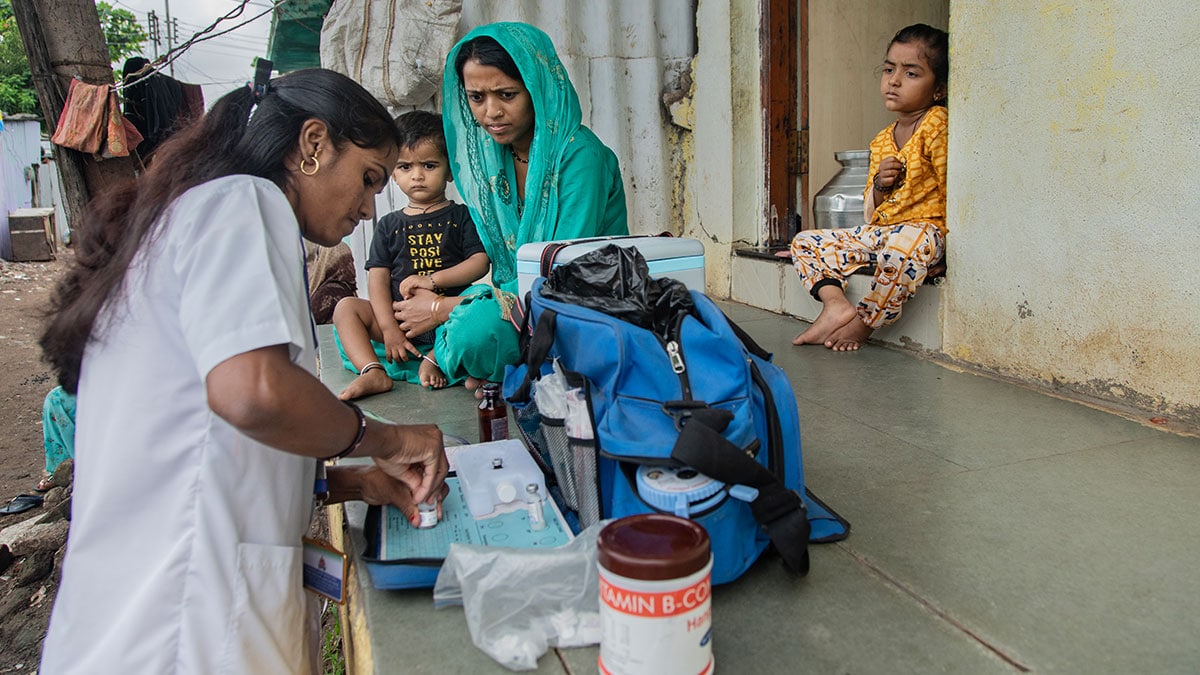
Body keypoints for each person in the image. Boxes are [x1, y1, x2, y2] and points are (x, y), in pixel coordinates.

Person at [38, 68, 449, 674]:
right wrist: (388, 440)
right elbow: (252, 394)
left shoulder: (202, 216)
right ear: (313, 144)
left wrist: (353, 483)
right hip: (177, 630)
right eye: (368, 180)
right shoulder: (242, 202)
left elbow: (205, 451)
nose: (367, 209)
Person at [390, 21, 628, 390]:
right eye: (477, 97)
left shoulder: (580, 156)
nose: (491, 113)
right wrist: (436, 292)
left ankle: (476, 358)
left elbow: (560, 271)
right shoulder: (492, 155)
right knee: (378, 318)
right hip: (514, 299)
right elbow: (497, 273)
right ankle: (487, 361)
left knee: (472, 328)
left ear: (537, 90)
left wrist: (439, 310)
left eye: (507, 94)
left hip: (576, 303)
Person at [786, 23, 948, 351]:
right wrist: (879, 185)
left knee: (904, 246)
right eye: (889, 69)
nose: (894, 80)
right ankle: (834, 304)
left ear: (938, 89)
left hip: (925, 233)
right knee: (805, 241)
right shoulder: (881, 141)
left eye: (912, 73)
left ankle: (864, 323)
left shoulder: (936, 124)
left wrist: (946, 248)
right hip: (886, 234)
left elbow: (952, 190)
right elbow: (871, 213)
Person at [333, 110, 489, 396]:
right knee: (346, 308)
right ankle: (373, 370)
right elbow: (378, 280)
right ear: (393, 171)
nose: (417, 176)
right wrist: (389, 329)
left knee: (479, 299)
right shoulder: (389, 225)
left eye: (429, 165)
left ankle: (436, 357)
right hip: (400, 322)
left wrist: (433, 281)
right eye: (405, 167)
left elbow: (479, 263)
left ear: (450, 169)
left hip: (445, 318)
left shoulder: (461, 216)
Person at [305, 240, 358, 324]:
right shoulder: (334, 290)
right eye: (343, 260)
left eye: (348, 259)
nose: (348, 265)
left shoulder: (335, 289)